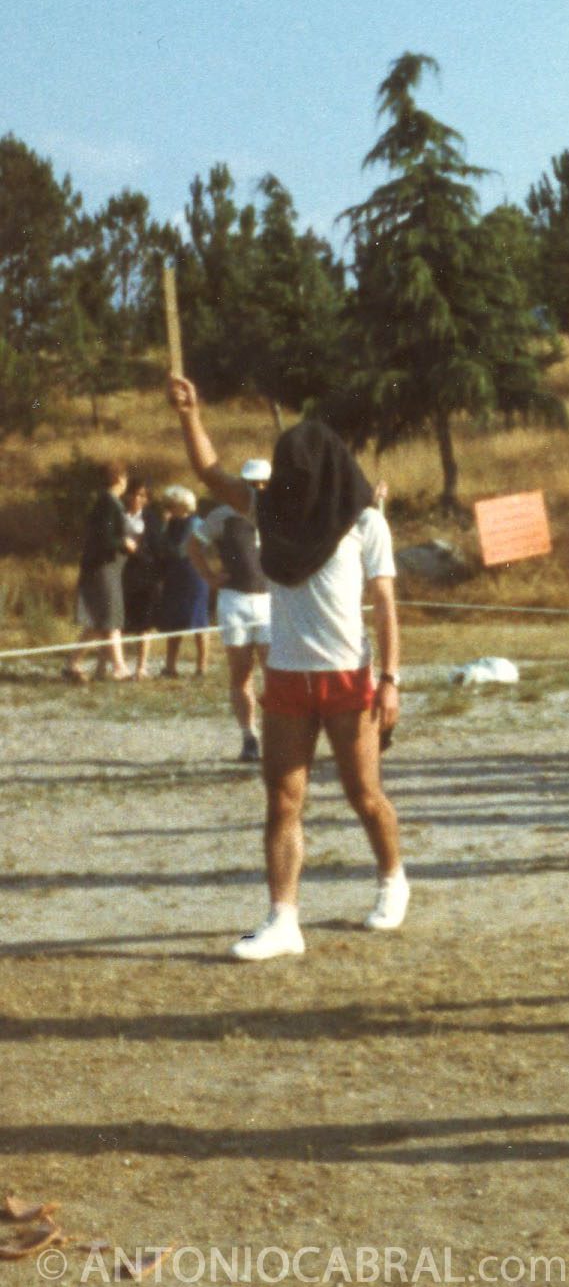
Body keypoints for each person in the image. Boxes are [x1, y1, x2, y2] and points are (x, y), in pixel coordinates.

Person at [168, 376, 407, 959]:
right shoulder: (268, 511)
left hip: (349, 677)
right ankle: (283, 920)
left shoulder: (365, 522)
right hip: (287, 679)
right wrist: (190, 414)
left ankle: (392, 878)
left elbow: (385, 605)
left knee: (364, 795)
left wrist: (392, 679)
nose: (291, 478)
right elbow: (209, 473)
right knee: (282, 799)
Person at [190, 458, 274, 763]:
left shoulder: (280, 513)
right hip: (234, 601)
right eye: (253, 483)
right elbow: (193, 544)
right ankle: (248, 736)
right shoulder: (222, 515)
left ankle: (277, 737)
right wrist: (209, 577)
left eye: (263, 483)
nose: (258, 489)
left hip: (269, 601)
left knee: (274, 672)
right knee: (241, 672)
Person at [64, 461, 132, 682]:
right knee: (109, 618)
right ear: (119, 479)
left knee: (97, 621)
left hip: (109, 568)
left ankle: (72, 664)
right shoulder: (108, 503)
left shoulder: (109, 502)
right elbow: (105, 538)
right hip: (102, 568)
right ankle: (120, 668)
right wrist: (125, 544)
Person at [155, 487, 212, 678]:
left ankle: (201, 667)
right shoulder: (174, 523)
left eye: (172, 505)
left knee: (199, 621)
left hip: (193, 576)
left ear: (182, 506)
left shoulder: (195, 523)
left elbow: (181, 550)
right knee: (174, 622)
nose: (168, 508)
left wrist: (163, 529)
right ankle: (170, 666)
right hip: (176, 576)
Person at [120, 479, 165, 680]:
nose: (137, 499)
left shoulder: (151, 519)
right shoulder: (119, 516)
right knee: (120, 621)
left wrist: (137, 550)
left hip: (146, 573)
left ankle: (141, 666)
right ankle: (117, 666)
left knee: (144, 623)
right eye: (135, 494)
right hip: (123, 573)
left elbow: (157, 548)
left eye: (142, 496)